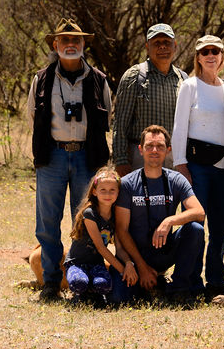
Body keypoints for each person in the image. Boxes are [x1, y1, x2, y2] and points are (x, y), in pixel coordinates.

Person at [27, 18, 112, 301]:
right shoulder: (42, 79)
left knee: (87, 220)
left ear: (84, 45)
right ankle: (51, 282)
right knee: (47, 222)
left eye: (76, 40)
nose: (71, 45)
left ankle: (86, 281)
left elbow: (106, 117)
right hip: (52, 156)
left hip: (87, 157)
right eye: (65, 40)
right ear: (55, 45)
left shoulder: (99, 80)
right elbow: (33, 117)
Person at [171, 35, 224, 299]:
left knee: (221, 228)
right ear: (198, 57)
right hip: (196, 167)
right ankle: (191, 282)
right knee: (197, 224)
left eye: (216, 51)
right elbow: (179, 127)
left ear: (222, 56)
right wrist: (181, 166)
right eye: (205, 51)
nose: (211, 56)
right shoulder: (190, 86)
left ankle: (216, 281)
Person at [114, 125, 206, 304]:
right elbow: (121, 230)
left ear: (168, 150)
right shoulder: (127, 184)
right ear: (140, 150)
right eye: (149, 146)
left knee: (195, 229)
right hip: (136, 255)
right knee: (120, 298)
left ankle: (180, 289)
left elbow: (199, 212)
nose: (154, 150)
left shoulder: (176, 179)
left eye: (160, 146)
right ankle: (154, 283)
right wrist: (141, 267)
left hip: (164, 251)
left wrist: (169, 221)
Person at [112, 23, 188, 175]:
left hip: (173, 158)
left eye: (167, 42)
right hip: (140, 156)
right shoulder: (134, 76)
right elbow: (120, 125)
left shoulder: (183, 79)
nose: (162, 47)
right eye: (156, 43)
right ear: (147, 46)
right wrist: (121, 161)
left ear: (175, 45)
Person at [63, 166, 136, 303]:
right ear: (94, 192)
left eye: (112, 190)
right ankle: (80, 295)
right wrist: (122, 271)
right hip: (77, 263)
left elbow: (119, 248)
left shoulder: (115, 216)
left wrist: (128, 264)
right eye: (103, 190)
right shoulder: (90, 213)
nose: (108, 194)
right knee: (79, 281)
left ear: (118, 192)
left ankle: (93, 293)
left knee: (104, 285)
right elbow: (101, 248)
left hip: (96, 264)